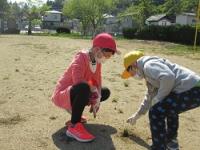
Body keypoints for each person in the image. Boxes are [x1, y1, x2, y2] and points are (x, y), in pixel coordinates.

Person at [121, 51, 200, 150]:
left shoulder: (148, 66)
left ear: (133, 64)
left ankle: (159, 147)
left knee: (156, 111)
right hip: (193, 90)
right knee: (168, 108)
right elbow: (149, 97)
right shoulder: (149, 76)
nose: (131, 76)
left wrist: (158, 98)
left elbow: (168, 77)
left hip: (192, 90)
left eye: (130, 72)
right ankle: (171, 143)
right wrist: (137, 115)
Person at [52, 33, 120, 142]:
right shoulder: (81, 57)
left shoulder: (97, 62)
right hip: (64, 94)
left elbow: (97, 80)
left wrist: (97, 99)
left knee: (104, 91)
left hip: (78, 92)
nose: (105, 59)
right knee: (84, 87)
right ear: (97, 49)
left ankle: (76, 116)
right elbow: (77, 80)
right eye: (106, 56)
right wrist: (93, 92)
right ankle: (74, 126)